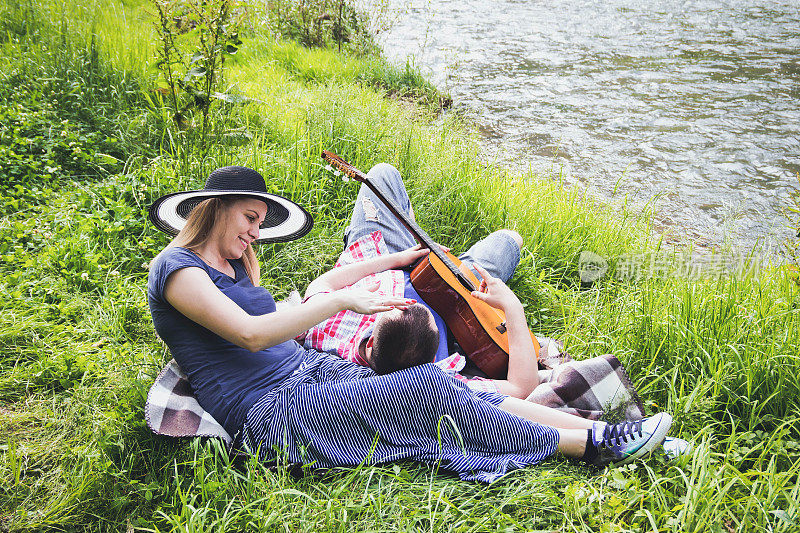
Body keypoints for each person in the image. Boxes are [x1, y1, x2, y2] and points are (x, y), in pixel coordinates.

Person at [146, 164, 675, 483]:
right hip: (271, 414)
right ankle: (593, 445)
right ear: (213, 210)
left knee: (451, 387)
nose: (256, 234)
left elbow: (276, 324)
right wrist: (341, 301)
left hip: (310, 376)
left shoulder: (235, 267)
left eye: (260, 223)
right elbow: (250, 334)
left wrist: (340, 295)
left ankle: (610, 432)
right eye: (250, 219)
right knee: (425, 388)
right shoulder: (176, 270)